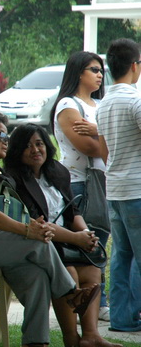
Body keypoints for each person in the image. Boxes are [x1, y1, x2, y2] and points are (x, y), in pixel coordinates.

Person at [0, 110, 100, 347]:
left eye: (6, 136)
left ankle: (36, 342)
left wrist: (31, 226)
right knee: (39, 242)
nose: (5, 141)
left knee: (37, 277)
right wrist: (28, 231)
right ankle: (70, 294)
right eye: (0, 136)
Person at [5, 124, 118, 347]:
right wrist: (76, 239)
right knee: (69, 273)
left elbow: (72, 211)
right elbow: (37, 224)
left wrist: (85, 232)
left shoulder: (57, 171)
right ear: (17, 151)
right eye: (27, 146)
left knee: (92, 270)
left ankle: (91, 336)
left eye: (39, 144)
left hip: (67, 239)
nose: (35, 150)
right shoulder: (14, 180)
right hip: (41, 243)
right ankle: (71, 338)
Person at [50, 51, 112, 321]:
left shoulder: (100, 105)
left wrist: (97, 130)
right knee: (85, 244)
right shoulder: (68, 104)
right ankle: (91, 303)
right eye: (94, 69)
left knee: (100, 242)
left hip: (102, 181)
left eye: (101, 70)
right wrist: (107, 138)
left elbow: (107, 142)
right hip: (79, 183)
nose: (100, 75)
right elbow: (88, 147)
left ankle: (97, 301)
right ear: (78, 72)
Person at [96, 38, 141, 332]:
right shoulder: (135, 101)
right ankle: (131, 315)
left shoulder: (104, 104)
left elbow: (104, 151)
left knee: (121, 257)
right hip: (137, 189)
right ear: (135, 66)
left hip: (115, 189)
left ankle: (122, 318)